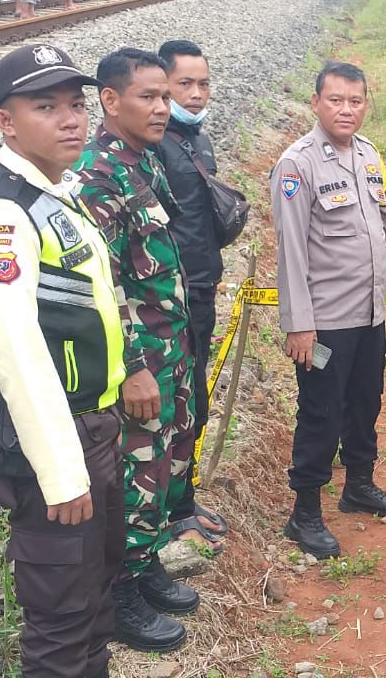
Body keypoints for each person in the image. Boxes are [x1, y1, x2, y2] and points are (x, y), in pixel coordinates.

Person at [0, 43, 123, 678]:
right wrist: (61, 472)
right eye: (46, 107)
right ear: (6, 122)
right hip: (55, 444)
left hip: (93, 428)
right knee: (61, 619)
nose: (70, 120)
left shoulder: (55, 192)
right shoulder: (0, 216)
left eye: (76, 105)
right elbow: (16, 350)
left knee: (95, 596)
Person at [268, 62, 386, 559]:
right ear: (316, 103)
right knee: (321, 412)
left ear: (366, 104)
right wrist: (299, 325)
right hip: (326, 322)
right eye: (335, 100)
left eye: (355, 101)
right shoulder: (297, 165)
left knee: (365, 402)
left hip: (369, 313)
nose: (346, 110)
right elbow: (290, 252)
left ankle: (359, 485)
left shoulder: (368, 155)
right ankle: (305, 512)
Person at [73, 48, 198, 653]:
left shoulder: (142, 159)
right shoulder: (96, 176)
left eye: (165, 96)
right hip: (140, 361)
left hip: (170, 348)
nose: (162, 108)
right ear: (110, 100)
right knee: (137, 474)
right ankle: (119, 594)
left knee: (166, 466)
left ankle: (145, 566)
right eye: (148, 97)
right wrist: (132, 369)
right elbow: (102, 285)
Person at [154, 40, 231, 555]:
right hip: (167, 299)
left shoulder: (196, 139)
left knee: (194, 403)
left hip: (200, 289)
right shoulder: (155, 144)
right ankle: (165, 513)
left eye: (203, 84)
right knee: (172, 408)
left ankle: (183, 502)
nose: (196, 94)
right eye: (185, 84)